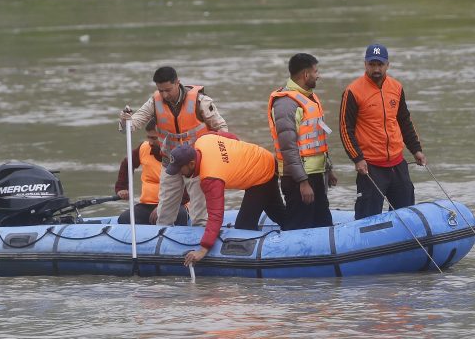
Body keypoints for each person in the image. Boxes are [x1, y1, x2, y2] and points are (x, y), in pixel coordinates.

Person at [119, 66, 228, 228]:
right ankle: (162, 240)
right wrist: (125, 120)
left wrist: (218, 156)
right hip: (171, 163)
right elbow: (131, 126)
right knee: (164, 211)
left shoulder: (200, 101)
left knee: (199, 211)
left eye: (168, 90)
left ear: (178, 83)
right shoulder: (154, 102)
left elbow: (222, 128)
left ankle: (202, 242)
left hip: (197, 164)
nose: (164, 95)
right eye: (160, 90)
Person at [163, 133, 287, 267]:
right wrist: (236, 158)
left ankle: (262, 267)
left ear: (192, 163)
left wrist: (203, 249)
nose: (179, 173)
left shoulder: (211, 177)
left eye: (180, 169)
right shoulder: (203, 140)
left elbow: (216, 215)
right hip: (262, 157)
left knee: (244, 226)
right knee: (278, 213)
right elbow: (233, 139)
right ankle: (299, 228)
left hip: (262, 173)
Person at [339, 43, 427, 220]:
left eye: (380, 64)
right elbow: (345, 129)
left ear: (387, 65)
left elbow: (404, 121)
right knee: (368, 218)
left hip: (397, 162)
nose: (376, 69)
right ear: (365, 64)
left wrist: (416, 149)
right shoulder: (353, 91)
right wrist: (357, 158)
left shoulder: (396, 87)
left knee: (406, 214)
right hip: (370, 166)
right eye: (372, 64)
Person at [267, 52, 337, 230]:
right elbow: (288, 148)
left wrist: (328, 169)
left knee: (323, 223)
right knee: (300, 227)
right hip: (298, 180)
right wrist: (303, 182)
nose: (318, 75)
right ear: (306, 75)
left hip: (315, 175)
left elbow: (317, 136)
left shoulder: (309, 97)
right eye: (316, 71)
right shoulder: (286, 104)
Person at [114, 119, 189, 226]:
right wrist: (122, 188)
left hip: (175, 205)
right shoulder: (143, 148)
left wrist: (163, 207)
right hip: (147, 205)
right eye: (148, 137)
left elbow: (187, 191)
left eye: (154, 138)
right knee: (124, 219)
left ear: (165, 137)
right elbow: (127, 164)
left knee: (181, 215)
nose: (150, 142)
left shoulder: (181, 152)